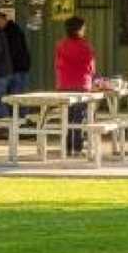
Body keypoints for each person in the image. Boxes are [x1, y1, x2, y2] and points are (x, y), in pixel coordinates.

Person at [55, 16, 96, 156]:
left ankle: (66, 147)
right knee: (79, 117)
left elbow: (57, 64)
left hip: (64, 85)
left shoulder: (61, 45)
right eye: (84, 27)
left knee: (66, 117)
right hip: (82, 85)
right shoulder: (86, 46)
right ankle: (77, 148)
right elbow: (91, 68)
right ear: (80, 29)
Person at [0, 12, 31, 95]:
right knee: (18, 97)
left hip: (17, 68)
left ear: (3, 20)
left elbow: (13, 50)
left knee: (17, 97)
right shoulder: (11, 30)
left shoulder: (12, 31)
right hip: (17, 68)